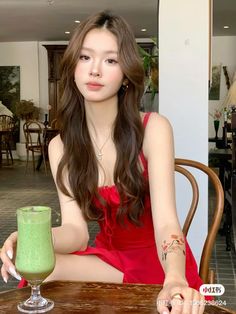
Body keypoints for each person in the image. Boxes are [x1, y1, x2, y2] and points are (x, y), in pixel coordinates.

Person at [1, 11, 206, 314]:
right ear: (72, 68)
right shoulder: (61, 146)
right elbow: (76, 232)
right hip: (108, 260)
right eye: (85, 57)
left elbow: (166, 224)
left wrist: (174, 277)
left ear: (126, 74)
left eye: (110, 60)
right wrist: (31, 239)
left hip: (158, 259)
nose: (95, 69)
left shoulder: (153, 128)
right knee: (40, 276)